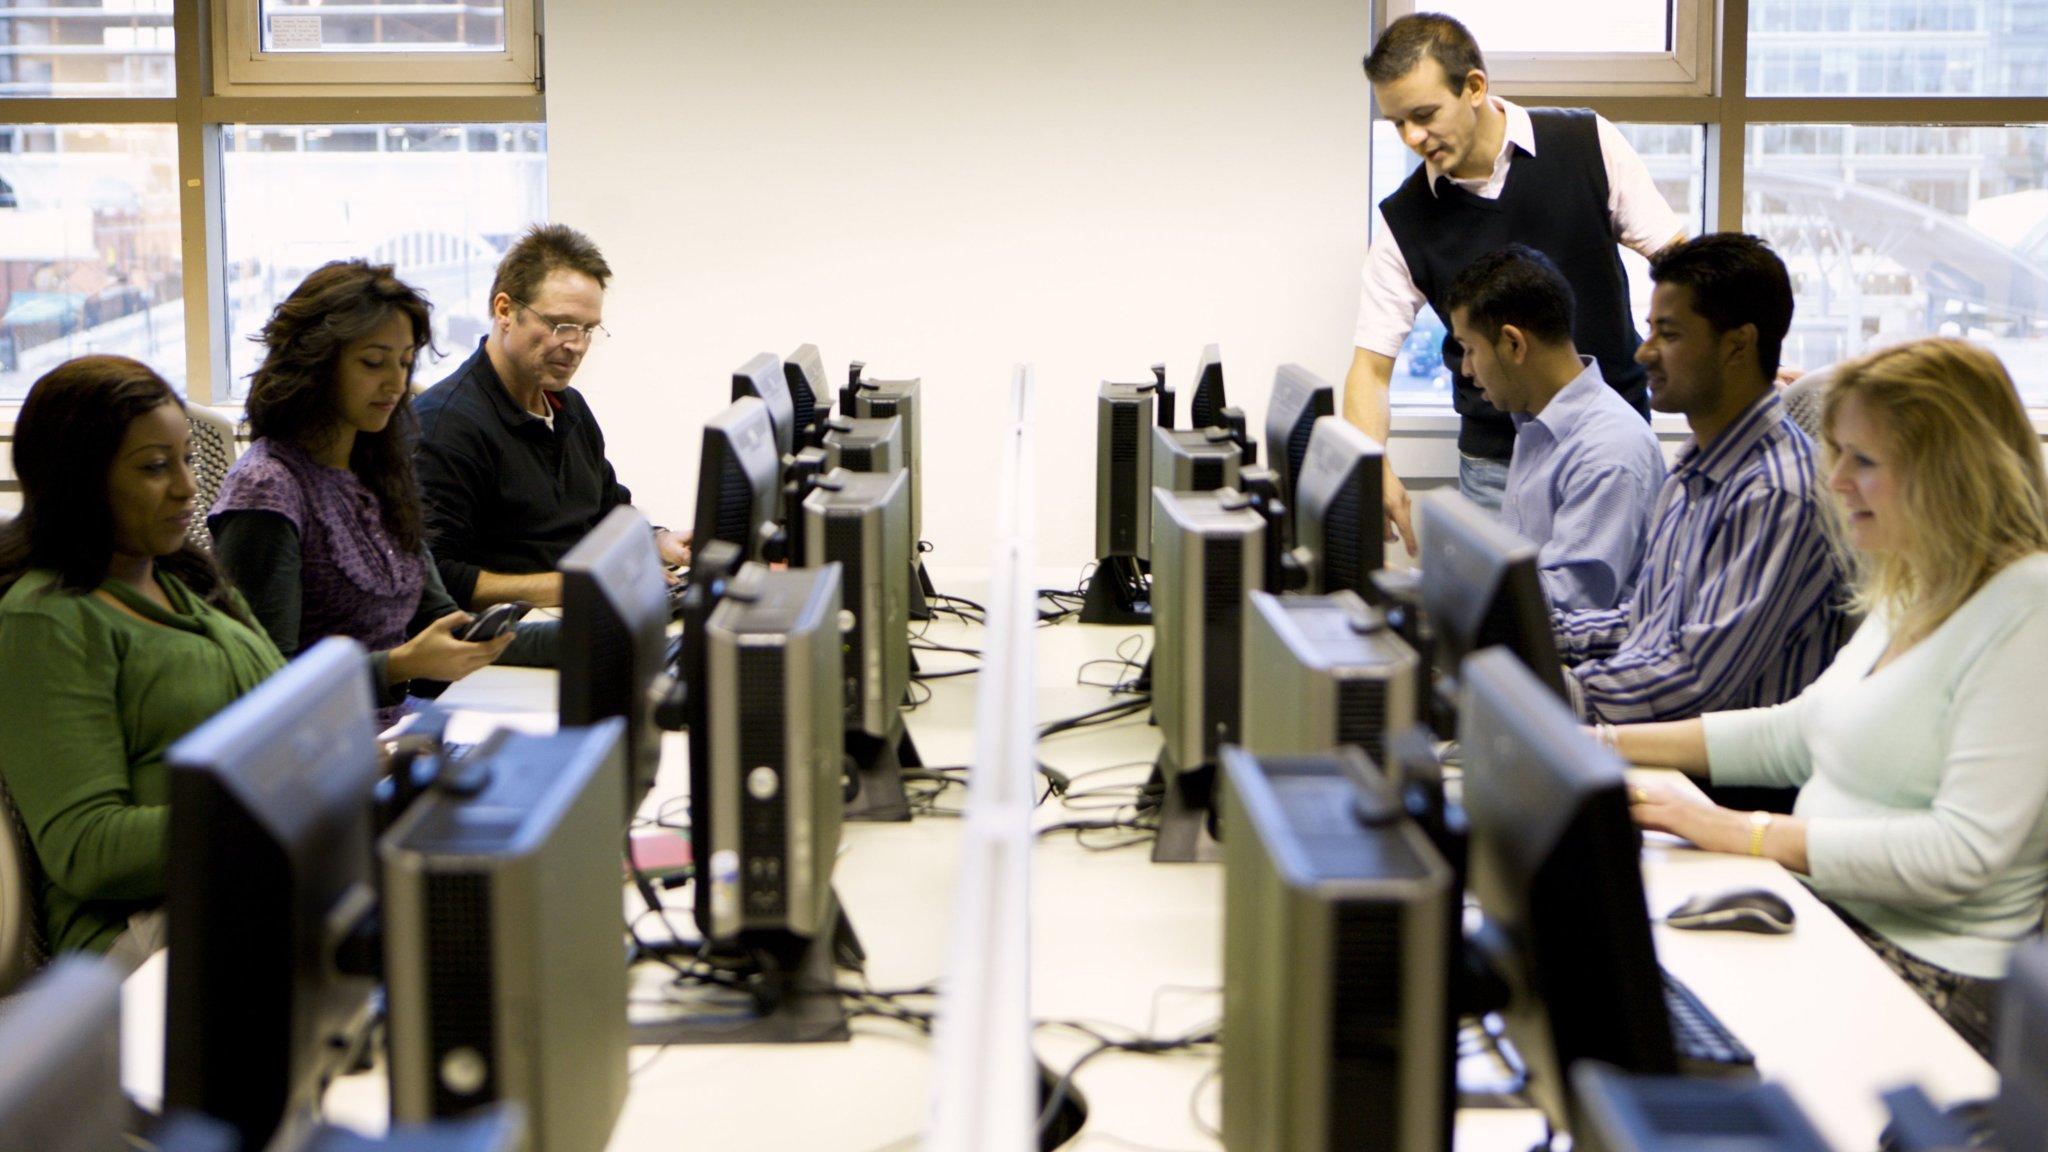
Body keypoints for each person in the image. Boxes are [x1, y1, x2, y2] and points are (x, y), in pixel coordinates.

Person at [1608, 338, 2048, 1059]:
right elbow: (1797, 732)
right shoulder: (1917, 580)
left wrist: (1742, 832)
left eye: (1863, 461)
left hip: (1936, 977)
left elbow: (1964, 852)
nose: (1835, 480)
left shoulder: (2029, 605)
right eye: (1837, 452)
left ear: (1951, 472)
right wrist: (1601, 742)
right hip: (1830, 916)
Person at [1347, 11, 1684, 541]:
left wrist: (1738, 357)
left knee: (1616, 594)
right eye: (1397, 123)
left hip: (1613, 446)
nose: (1413, 136)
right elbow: (1370, 369)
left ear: (1474, 87)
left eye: (1425, 114)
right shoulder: (1404, 219)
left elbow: (1679, 263)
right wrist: (1373, 466)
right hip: (1495, 466)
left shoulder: (1586, 142)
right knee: (1501, 598)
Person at [0, 356, 285, 963]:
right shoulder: (46, 620)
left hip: (247, 878)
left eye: (187, 459)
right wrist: (272, 805)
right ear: (78, 478)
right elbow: (87, 850)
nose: (187, 487)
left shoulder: (187, 580)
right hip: (140, 931)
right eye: (156, 467)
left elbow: (283, 701)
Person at [209, 261, 556, 715]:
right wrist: (398, 665)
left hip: (393, 729)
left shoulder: (377, 469)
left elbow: (447, 625)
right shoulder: (267, 490)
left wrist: (595, 633)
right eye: (373, 362)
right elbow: (263, 684)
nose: (396, 383)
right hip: (322, 747)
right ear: (315, 363)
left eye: (405, 362)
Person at [1554, 233, 1848, 723]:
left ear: (1738, 346)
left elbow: (1694, 681)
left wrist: (1544, 694)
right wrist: (1537, 634)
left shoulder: (1775, 492)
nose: (1644, 353)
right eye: (1650, 331)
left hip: (1713, 762)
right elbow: (1652, 622)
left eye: (1668, 335)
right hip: (1657, 733)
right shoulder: (1695, 468)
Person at [413, 224, 689, 608]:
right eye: (560, 325)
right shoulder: (444, 426)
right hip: (510, 630)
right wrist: (576, 586)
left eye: (588, 329)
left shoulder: (568, 408)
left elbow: (608, 512)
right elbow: (436, 579)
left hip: (577, 613)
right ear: (505, 311)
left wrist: (657, 541)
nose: (576, 345)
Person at [1443, 244, 1664, 611]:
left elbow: (1568, 602)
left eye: (1470, 349)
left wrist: (1442, 593)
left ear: (1514, 344)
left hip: (1573, 646)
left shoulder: (1608, 452)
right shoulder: (1536, 425)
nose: (1466, 370)